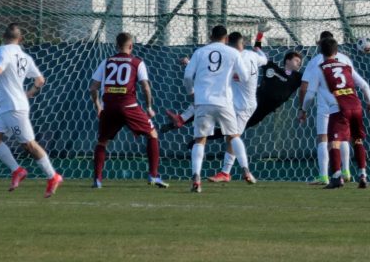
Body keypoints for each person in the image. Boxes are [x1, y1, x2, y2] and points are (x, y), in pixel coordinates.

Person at [0, 23, 63, 198]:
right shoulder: (25, 57)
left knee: (29, 144)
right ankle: (17, 170)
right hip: (8, 107)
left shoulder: (3, 50)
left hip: (14, 107)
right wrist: (29, 93)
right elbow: (40, 80)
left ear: (3, 36)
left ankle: (53, 176)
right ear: (20, 39)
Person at [164, 51, 303, 154]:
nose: (299, 63)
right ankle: (182, 120)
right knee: (212, 105)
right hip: (245, 103)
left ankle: (199, 138)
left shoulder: (298, 78)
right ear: (287, 60)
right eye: (297, 60)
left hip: (259, 111)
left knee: (231, 131)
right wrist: (260, 35)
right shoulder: (267, 66)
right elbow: (259, 53)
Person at [89, 32, 168, 189]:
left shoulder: (106, 61)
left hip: (109, 106)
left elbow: (93, 87)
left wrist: (98, 105)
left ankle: (97, 180)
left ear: (116, 46)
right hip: (129, 106)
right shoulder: (137, 62)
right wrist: (148, 107)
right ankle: (153, 175)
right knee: (153, 134)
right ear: (131, 46)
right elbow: (145, 86)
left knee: (102, 142)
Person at [183, 25, 252, 193]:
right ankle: (246, 171)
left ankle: (196, 178)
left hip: (203, 100)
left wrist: (191, 92)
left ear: (210, 36)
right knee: (233, 136)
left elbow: (187, 76)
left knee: (200, 139)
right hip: (224, 101)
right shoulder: (233, 53)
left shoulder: (200, 52)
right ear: (226, 38)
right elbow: (245, 77)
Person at [302, 37, 370, 189]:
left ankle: (336, 177)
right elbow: (364, 85)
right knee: (357, 140)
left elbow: (309, 94)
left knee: (333, 142)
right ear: (336, 51)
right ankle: (363, 174)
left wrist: (303, 110)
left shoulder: (319, 68)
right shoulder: (346, 65)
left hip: (339, 108)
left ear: (321, 51)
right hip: (356, 106)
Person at [207, 31, 267, 183]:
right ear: (243, 43)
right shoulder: (252, 55)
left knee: (233, 138)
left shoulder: (231, 59)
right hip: (240, 104)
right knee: (231, 137)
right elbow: (264, 59)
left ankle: (230, 172)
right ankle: (229, 172)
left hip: (241, 106)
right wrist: (258, 40)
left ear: (227, 43)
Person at [299, 31, 355, 185]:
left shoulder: (316, 61)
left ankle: (324, 176)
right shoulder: (345, 59)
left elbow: (305, 86)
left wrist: (302, 109)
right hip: (345, 103)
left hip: (325, 105)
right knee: (343, 137)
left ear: (320, 45)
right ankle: (347, 172)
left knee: (323, 138)